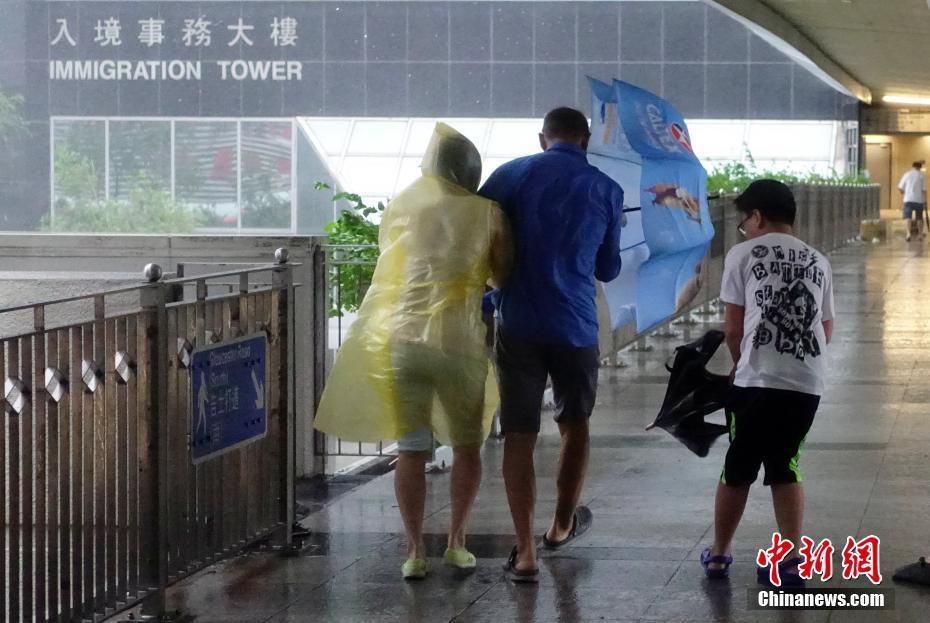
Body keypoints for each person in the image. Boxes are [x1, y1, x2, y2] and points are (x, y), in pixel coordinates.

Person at [314, 123, 513, 580]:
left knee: (411, 449)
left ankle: (413, 550)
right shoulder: (488, 213)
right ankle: (457, 542)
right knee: (467, 446)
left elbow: (394, 265)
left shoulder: (402, 206)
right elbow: (502, 277)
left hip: (401, 340)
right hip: (456, 343)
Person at [479, 107, 623, 582]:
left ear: (543, 138)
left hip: (518, 319)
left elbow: (480, 238)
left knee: (518, 432)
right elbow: (607, 269)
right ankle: (561, 525)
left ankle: (524, 552)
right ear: (585, 141)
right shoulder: (606, 188)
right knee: (574, 423)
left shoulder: (510, 175)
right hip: (576, 328)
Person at [700, 179, 834, 588]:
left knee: (737, 468)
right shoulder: (818, 260)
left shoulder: (742, 254)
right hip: (806, 384)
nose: (744, 228)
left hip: (755, 382)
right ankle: (790, 562)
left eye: (745, 221)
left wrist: (742, 366)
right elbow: (826, 328)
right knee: (785, 466)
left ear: (756, 216)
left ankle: (720, 555)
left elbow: (734, 329)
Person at [898, 161, 926, 241]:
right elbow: (924, 190)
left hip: (908, 200)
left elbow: (900, 187)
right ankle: (920, 235)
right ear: (920, 168)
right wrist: (925, 201)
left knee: (908, 217)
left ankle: (908, 234)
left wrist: (904, 193)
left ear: (913, 166)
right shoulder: (921, 176)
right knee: (919, 218)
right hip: (919, 200)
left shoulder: (907, 174)